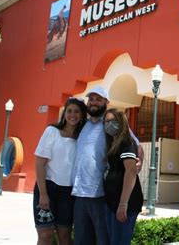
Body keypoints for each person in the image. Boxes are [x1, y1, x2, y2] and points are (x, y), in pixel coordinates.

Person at [71, 86, 144, 245]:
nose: (94, 103)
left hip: (100, 195)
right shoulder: (83, 124)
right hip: (79, 193)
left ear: (106, 102)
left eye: (98, 99)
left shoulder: (112, 124)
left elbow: (137, 146)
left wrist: (138, 164)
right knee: (81, 240)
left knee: (104, 240)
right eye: (91, 99)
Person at [33, 97, 87, 245]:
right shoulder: (52, 131)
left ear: (82, 114)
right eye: (69, 111)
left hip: (68, 193)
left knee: (65, 236)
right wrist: (43, 194)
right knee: (45, 235)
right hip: (47, 188)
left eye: (77, 111)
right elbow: (39, 163)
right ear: (64, 113)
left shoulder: (83, 137)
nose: (72, 115)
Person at [103, 108, 143, 245]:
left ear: (121, 122)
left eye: (113, 121)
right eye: (106, 121)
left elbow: (130, 171)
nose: (109, 124)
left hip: (125, 203)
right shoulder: (113, 143)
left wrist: (123, 203)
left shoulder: (126, 142)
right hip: (111, 201)